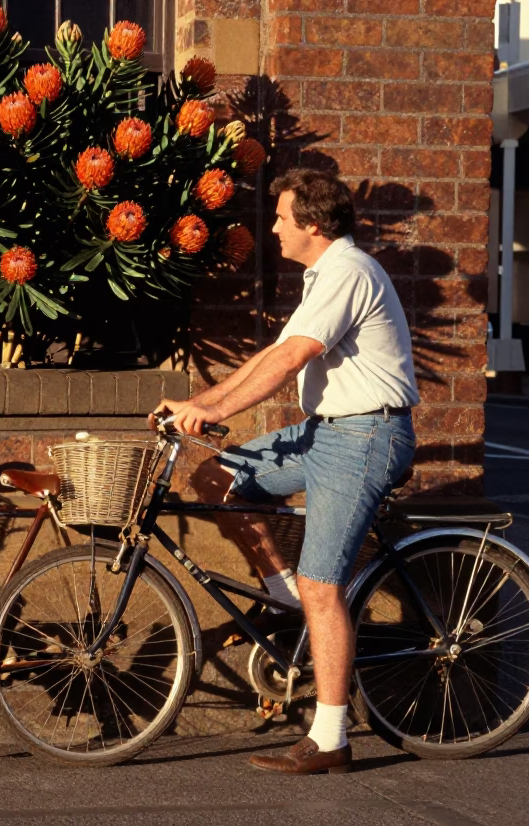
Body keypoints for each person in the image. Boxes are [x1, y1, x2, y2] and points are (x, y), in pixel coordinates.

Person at [151, 168, 419, 775]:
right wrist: (203, 403)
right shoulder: (323, 275)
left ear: (313, 225)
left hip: (366, 437)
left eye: (280, 216)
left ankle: (330, 738)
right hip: (326, 433)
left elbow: (295, 357)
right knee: (216, 478)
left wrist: (213, 409)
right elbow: (272, 353)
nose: (271, 226)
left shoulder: (349, 271)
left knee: (324, 587)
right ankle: (281, 591)